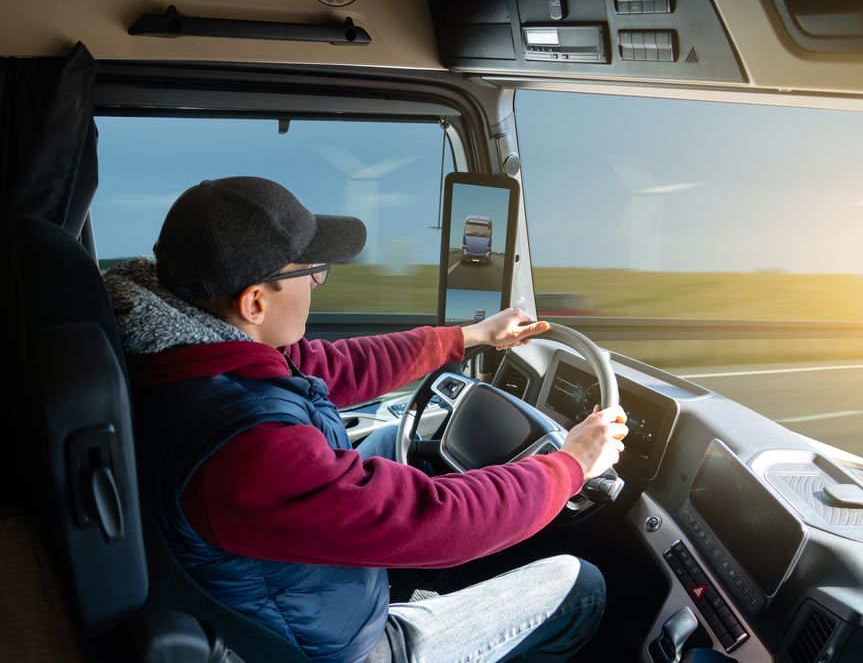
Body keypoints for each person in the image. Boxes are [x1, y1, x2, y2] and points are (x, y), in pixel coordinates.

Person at [104, 176, 628, 662]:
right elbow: (433, 519)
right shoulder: (246, 446)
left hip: (287, 590)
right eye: (311, 273)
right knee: (581, 585)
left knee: (382, 438)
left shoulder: (192, 354)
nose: (317, 284)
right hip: (331, 648)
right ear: (255, 302)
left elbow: (329, 366)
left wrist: (468, 337)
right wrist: (570, 466)